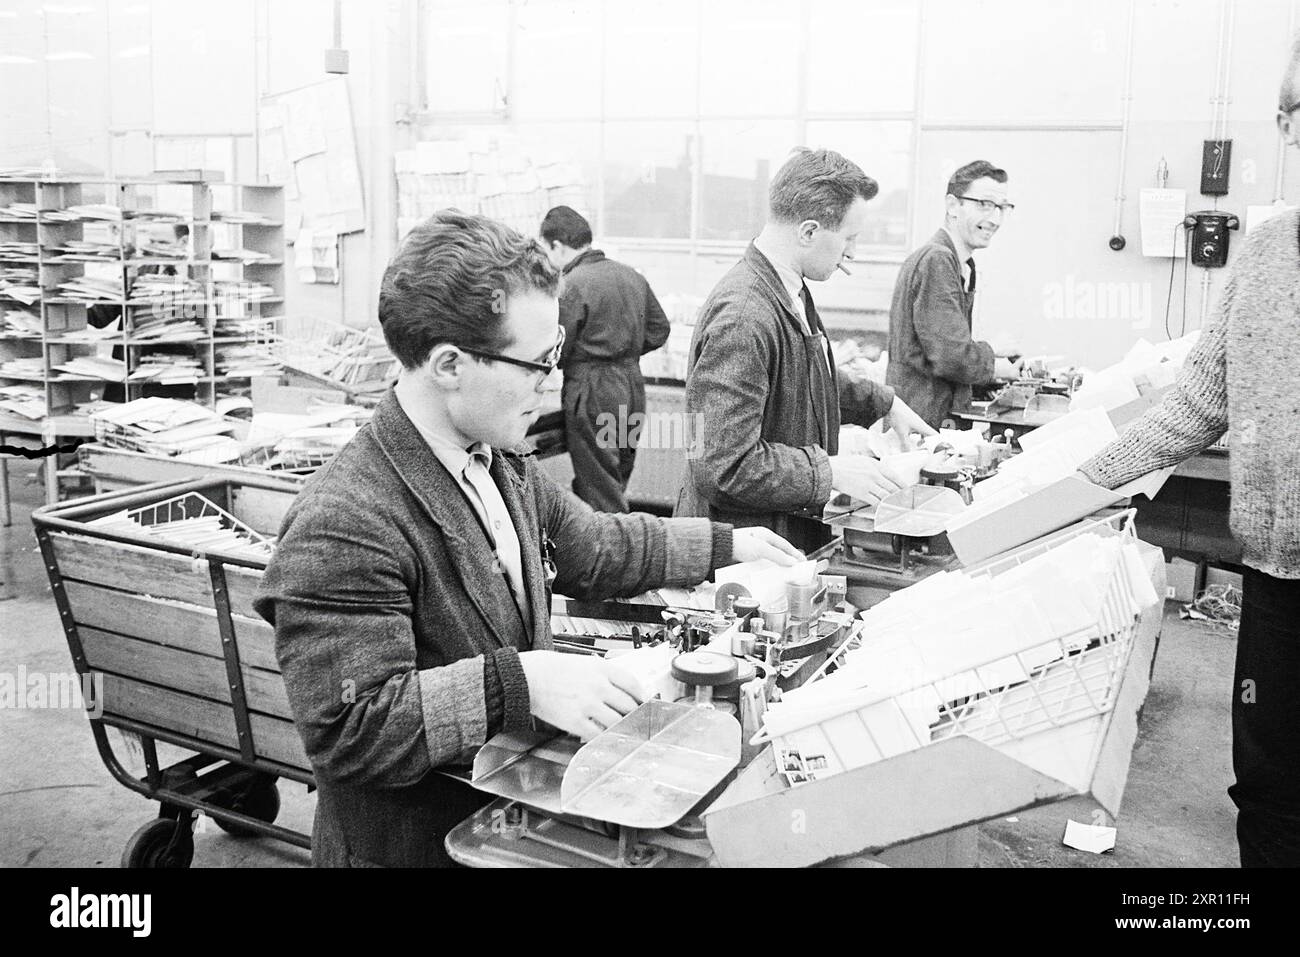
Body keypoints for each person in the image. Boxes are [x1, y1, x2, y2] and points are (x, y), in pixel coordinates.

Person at [253, 210, 802, 868]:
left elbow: (593, 544)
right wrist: (521, 681)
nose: (553, 381)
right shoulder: (347, 518)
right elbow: (351, 727)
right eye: (538, 363)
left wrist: (724, 545)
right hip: (411, 847)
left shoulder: (497, 459)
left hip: (499, 823)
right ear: (450, 364)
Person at [1079, 37, 1300, 868]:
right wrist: (1072, 484)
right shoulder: (1269, 255)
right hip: (1279, 583)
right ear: (1286, 122)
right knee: (1270, 791)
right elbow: (1196, 406)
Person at [675, 147, 935, 554]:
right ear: (809, 232)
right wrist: (829, 472)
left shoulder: (789, 291)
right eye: (849, 238)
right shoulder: (744, 317)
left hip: (781, 535)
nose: (854, 253)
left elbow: (805, 377)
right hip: (742, 556)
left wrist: (885, 403)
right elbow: (722, 465)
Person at [540, 206, 670, 513]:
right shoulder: (631, 276)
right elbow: (659, 329)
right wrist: (624, 351)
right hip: (632, 387)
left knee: (599, 488)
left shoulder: (571, 284)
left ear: (557, 245)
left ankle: (618, 552)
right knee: (616, 476)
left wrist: (583, 361)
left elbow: (558, 343)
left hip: (592, 390)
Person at [886, 160, 1022, 430]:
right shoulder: (937, 260)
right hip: (923, 418)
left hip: (930, 413)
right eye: (984, 204)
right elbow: (951, 356)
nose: (995, 219)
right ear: (952, 205)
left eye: (1002, 208)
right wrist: (996, 361)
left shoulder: (960, 263)